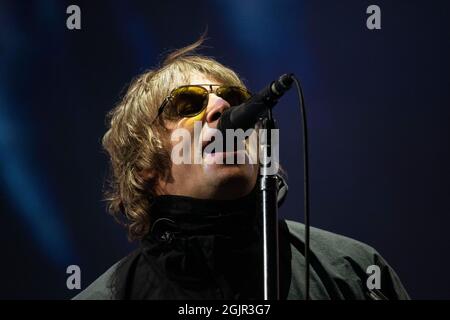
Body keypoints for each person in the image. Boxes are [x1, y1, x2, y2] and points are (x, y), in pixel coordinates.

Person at [74, 37, 409, 300]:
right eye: (187, 104)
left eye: (234, 100)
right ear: (145, 165)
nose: (221, 107)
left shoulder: (356, 273)